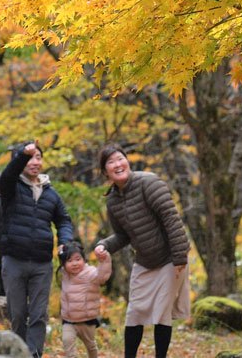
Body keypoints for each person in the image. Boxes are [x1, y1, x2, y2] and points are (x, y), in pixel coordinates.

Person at [95, 144, 190, 358]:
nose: (117, 164)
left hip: (169, 258)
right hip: (145, 261)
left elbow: (171, 219)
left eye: (120, 159)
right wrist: (105, 245)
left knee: (161, 314)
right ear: (105, 171)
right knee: (134, 313)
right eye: (111, 162)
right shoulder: (112, 200)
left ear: (127, 161)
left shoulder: (148, 182)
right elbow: (122, 235)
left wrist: (179, 257)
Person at [0, 141, 74, 358]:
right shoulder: (11, 187)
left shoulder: (51, 193)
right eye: (31, 158)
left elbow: (64, 220)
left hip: (42, 263)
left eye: (38, 157)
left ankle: (33, 354)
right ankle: (19, 352)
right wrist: (23, 154)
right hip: (14, 259)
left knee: (39, 314)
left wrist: (65, 240)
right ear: (20, 160)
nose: (35, 162)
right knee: (18, 314)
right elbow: (7, 175)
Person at [59, 241, 112, 358]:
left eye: (78, 259)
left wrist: (104, 259)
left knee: (91, 346)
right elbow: (60, 256)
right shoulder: (65, 274)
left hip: (87, 320)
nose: (74, 264)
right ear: (64, 264)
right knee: (67, 343)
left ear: (84, 259)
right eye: (69, 261)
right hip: (69, 321)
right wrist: (60, 251)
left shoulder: (91, 274)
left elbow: (103, 276)